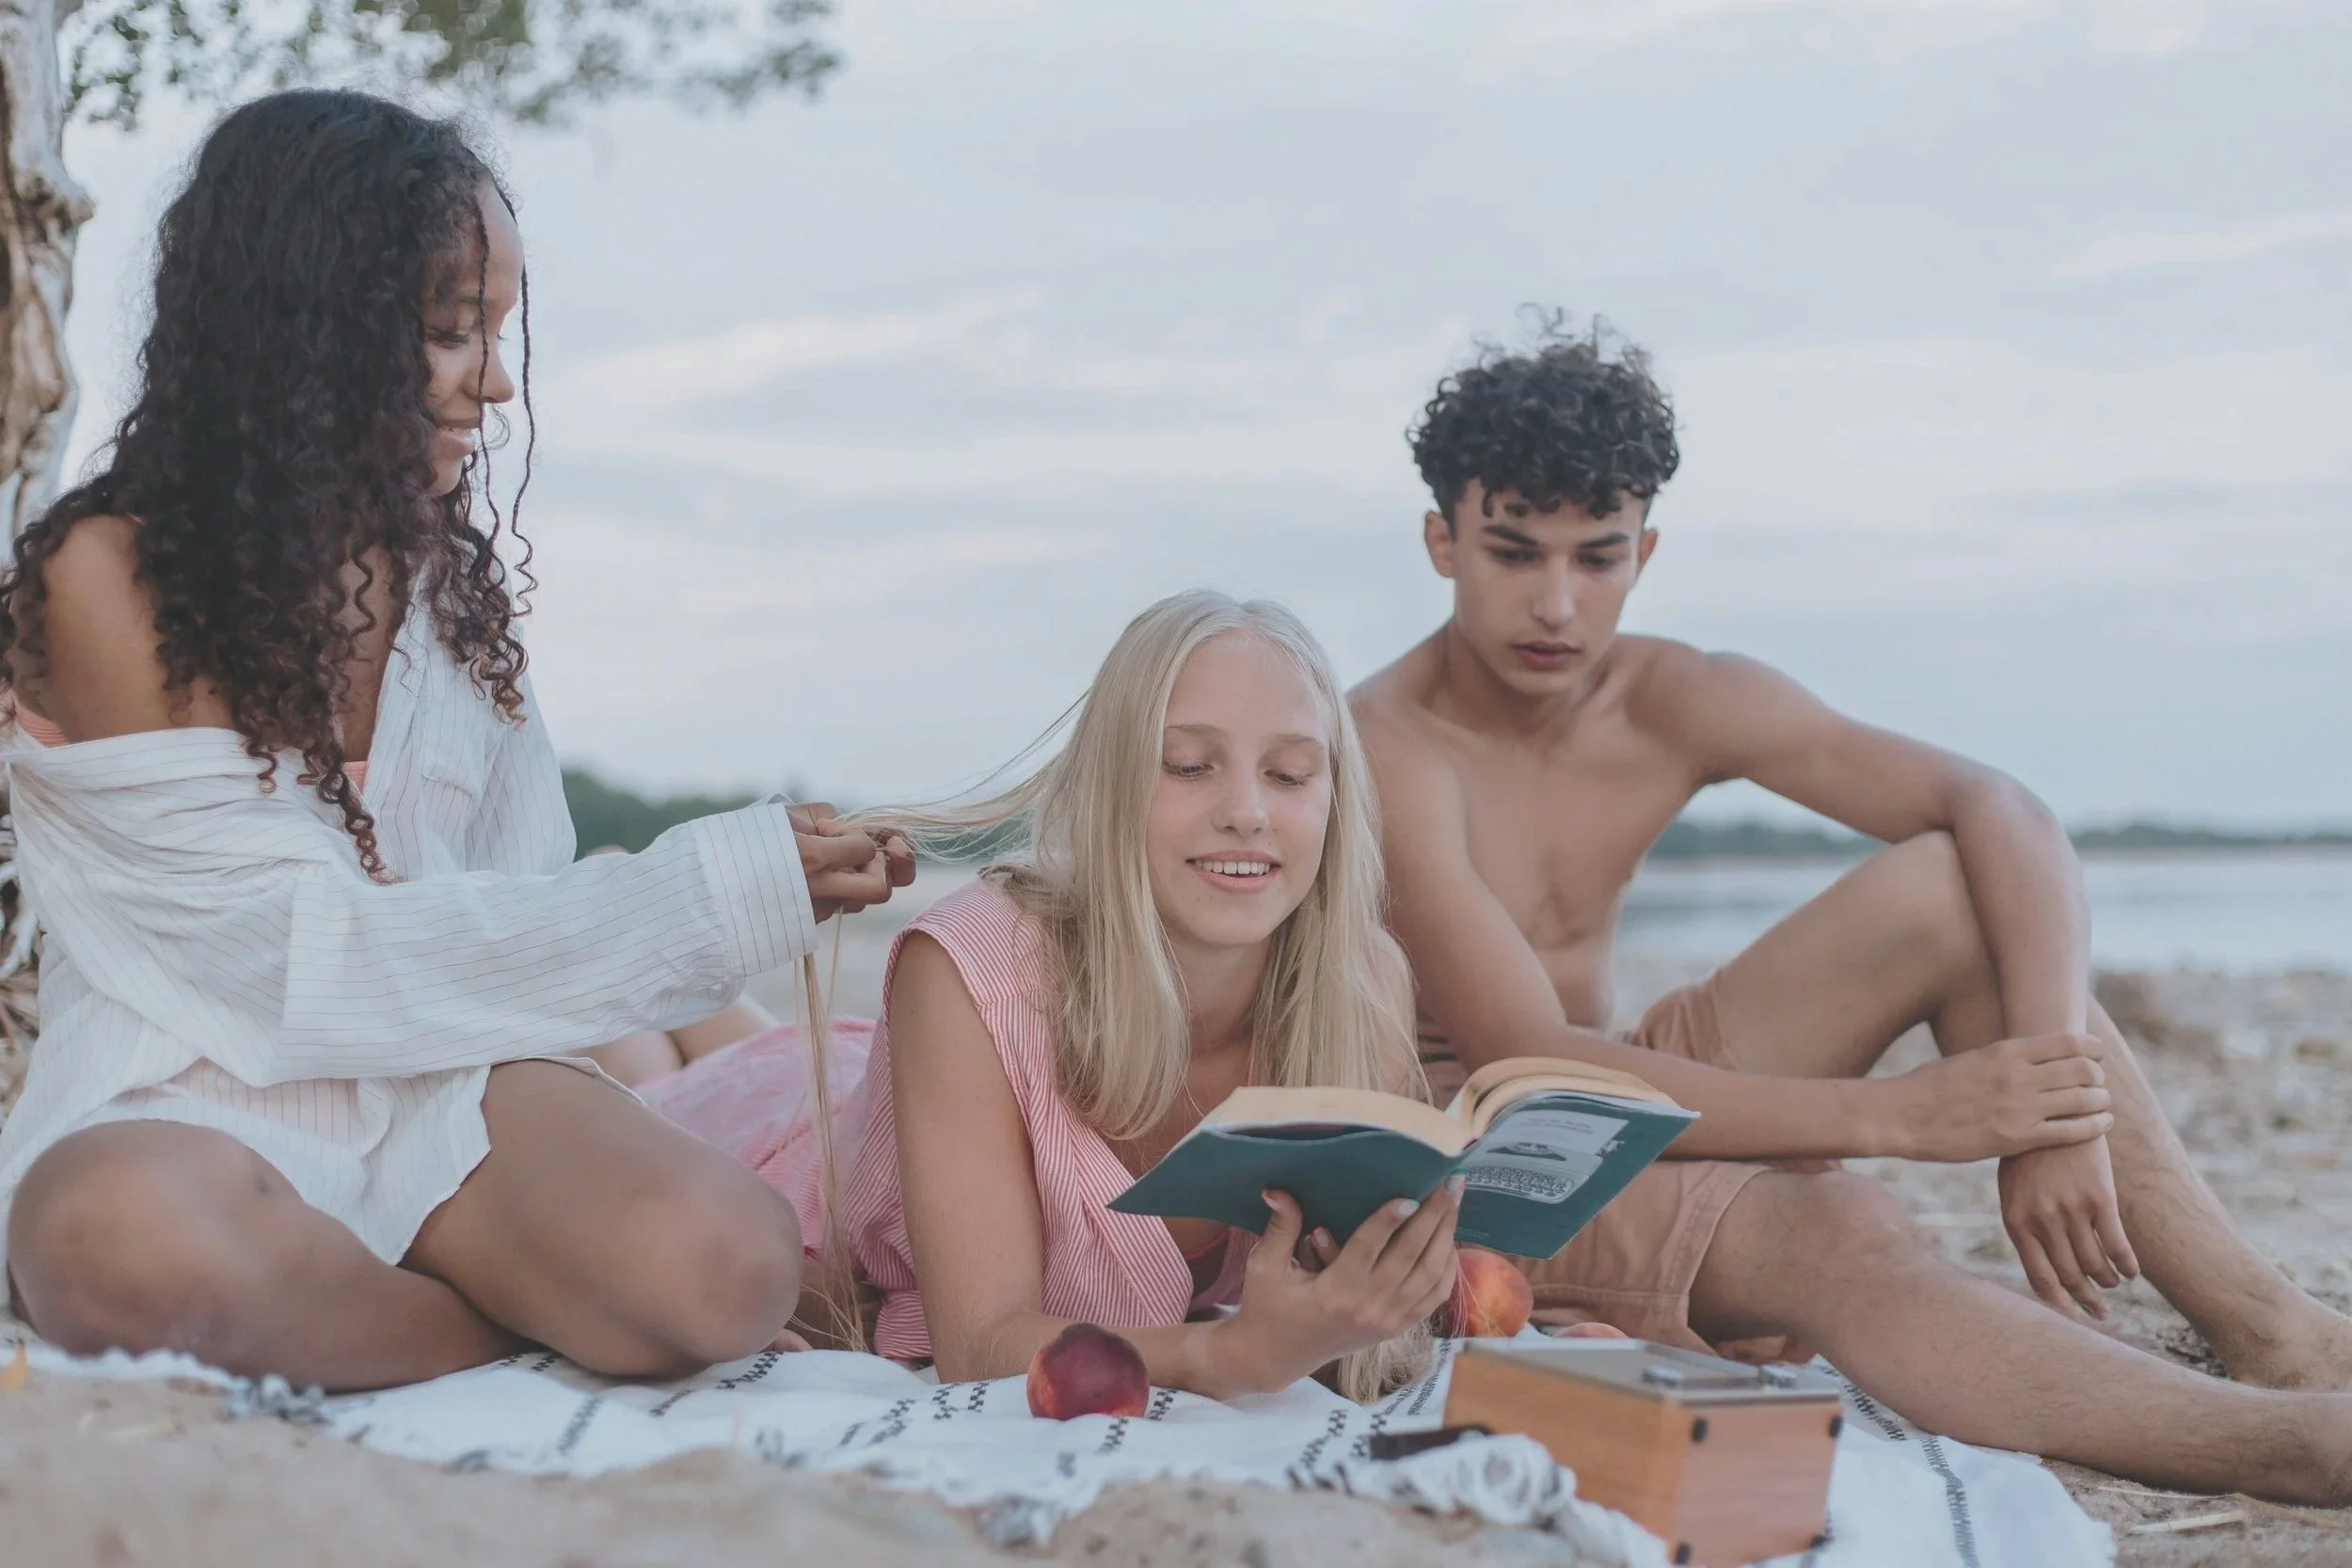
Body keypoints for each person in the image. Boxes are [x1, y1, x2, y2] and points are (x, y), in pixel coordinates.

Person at [0, 89, 910, 1392]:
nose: (492, 377)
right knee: (109, 1239)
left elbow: (520, 897)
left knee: (728, 1258)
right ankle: (491, 1328)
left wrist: (763, 886)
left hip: (448, 1085)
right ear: (303, 334)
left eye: (496, 331)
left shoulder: (447, 599)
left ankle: (366, 1313)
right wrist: (715, 889)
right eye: (447, 331)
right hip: (191, 1091)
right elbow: (295, 970)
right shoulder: (104, 572)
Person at [1350, 318, 2352, 1500]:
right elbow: (1528, 1059)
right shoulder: (1388, 742)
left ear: (1645, 548)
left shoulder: (1673, 695)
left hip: (1631, 1086)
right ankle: (2303, 1449)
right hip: (1476, 1158)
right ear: (1441, 540)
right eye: (1513, 552)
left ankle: (2276, 1332)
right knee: (1842, 1223)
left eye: (1598, 556)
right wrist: (1904, 1115)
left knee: (1943, 886)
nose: (1557, 604)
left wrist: (2052, 1115)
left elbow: (1999, 806)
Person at [662, 591, 1461, 1401]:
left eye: (1290, 774)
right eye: (1188, 765)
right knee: (663, 1067)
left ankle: (707, 1020)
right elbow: (980, 1346)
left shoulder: (1362, 989)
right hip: (796, 1151)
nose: (1248, 812)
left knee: (770, 1044)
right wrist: (1234, 1356)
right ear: (1112, 782)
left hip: (882, 1079)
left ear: (1335, 796)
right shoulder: (969, 970)